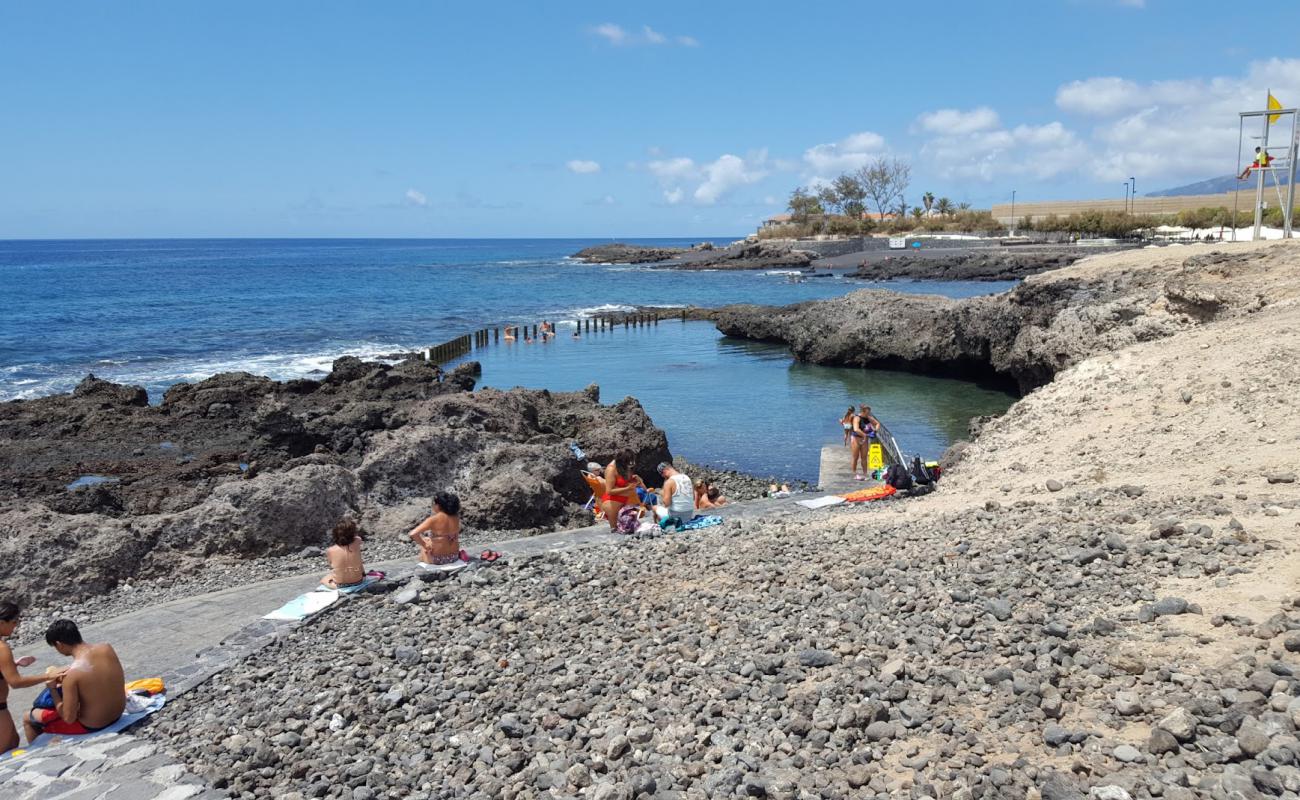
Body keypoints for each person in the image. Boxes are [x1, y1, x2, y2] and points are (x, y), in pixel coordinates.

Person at [24, 620, 125, 743]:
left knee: (28, 718)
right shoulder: (106, 648)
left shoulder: (71, 675)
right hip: (117, 713)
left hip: (94, 724)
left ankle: (38, 749)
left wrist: (52, 688)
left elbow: (68, 718)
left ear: (59, 644)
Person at [0, 602, 53, 753]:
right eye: (14, 622)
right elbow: (15, 682)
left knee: (13, 742)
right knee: (5, 750)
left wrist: (12, 664)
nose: (15, 626)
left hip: (2, 708)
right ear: (2, 622)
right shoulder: (2, 647)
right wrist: (48, 676)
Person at [409, 492, 462, 566]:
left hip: (438, 560)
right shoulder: (456, 517)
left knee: (425, 541)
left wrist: (425, 545)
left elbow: (413, 533)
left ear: (438, 505)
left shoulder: (433, 519)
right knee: (430, 539)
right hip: (454, 557)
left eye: (433, 504)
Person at [600, 450, 643, 530]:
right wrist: (627, 488)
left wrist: (634, 479)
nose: (631, 463)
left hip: (626, 500)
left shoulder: (622, 467)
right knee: (615, 529)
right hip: (612, 502)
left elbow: (625, 481)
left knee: (630, 526)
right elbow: (609, 491)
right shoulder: (611, 469)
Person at [322, 518, 366, 589]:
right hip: (358, 581)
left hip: (340, 585)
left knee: (325, 579)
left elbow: (332, 565)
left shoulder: (330, 550)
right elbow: (356, 537)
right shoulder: (357, 541)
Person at [653, 461, 695, 526]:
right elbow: (693, 497)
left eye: (661, 474)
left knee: (655, 507)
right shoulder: (687, 478)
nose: (662, 476)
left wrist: (663, 492)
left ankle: (659, 526)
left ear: (664, 470)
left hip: (676, 516)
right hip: (689, 514)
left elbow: (666, 504)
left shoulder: (669, 482)